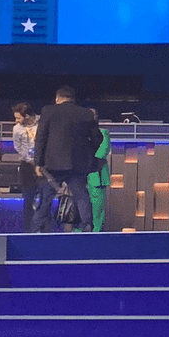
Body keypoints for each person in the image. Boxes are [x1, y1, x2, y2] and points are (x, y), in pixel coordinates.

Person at [35, 86, 104, 233]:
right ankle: (87, 225)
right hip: (78, 164)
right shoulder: (86, 113)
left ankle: (38, 227)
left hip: (52, 163)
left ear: (57, 98)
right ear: (73, 99)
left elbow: (41, 138)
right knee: (81, 196)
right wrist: (88, 152)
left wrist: (38, 162)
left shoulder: (48, 111)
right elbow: (98, 138)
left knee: (46, 197)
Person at [12, 103, 41, 232]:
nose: (16, 121)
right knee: (28, 199)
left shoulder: (42, 123)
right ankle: (29, 230)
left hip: (42, 166)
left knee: (44, 199)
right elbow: (17, 146)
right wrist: (27, 158)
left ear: (27, 116)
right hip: (26, 167)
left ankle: (44, 229)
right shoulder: (17, 129)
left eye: (18, 118)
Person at [87, 126, 111, 232]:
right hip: (79, 179)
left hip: (97, 178)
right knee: (79, 209)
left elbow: (101, 154)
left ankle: (96, 234)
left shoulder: (103, 133)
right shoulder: (77, 131)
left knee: (97, 211)